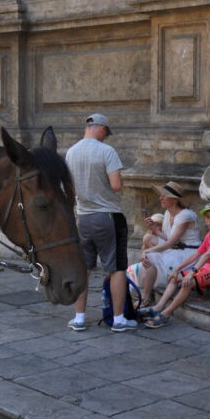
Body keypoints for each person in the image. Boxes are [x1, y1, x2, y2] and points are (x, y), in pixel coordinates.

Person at [65, 113, 135, 332]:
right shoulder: (107, 151)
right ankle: (119, 319)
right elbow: (116, 185)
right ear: (102, 129)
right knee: (116, 268)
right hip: (107, 215)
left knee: (83, 268)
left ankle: (79, 318)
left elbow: (70, 187)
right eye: (106, 133)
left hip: (83, 218)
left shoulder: (71, 152)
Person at [144, 202, 210, 328]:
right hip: (207, 267)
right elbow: (196, 254)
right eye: (208, 217)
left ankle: (166, 314)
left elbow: (207, 255)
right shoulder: (209, 235)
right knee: (174, 277)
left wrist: (192, 272)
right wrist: (177, 269)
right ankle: (158, 307)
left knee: (188, 282)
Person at [136, 181, 202, 307]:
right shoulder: (167, 213)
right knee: (149, 244)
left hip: (188, 253)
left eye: (164, 196)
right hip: (175, 248)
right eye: (161, 195)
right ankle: (146, 296)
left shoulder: (185, 215)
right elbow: (169, 238)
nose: (160, 198)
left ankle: (148, 295)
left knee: (149, 254)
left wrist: (147, 251)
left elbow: (170, 243)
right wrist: (155, 230)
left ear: (175, 200)